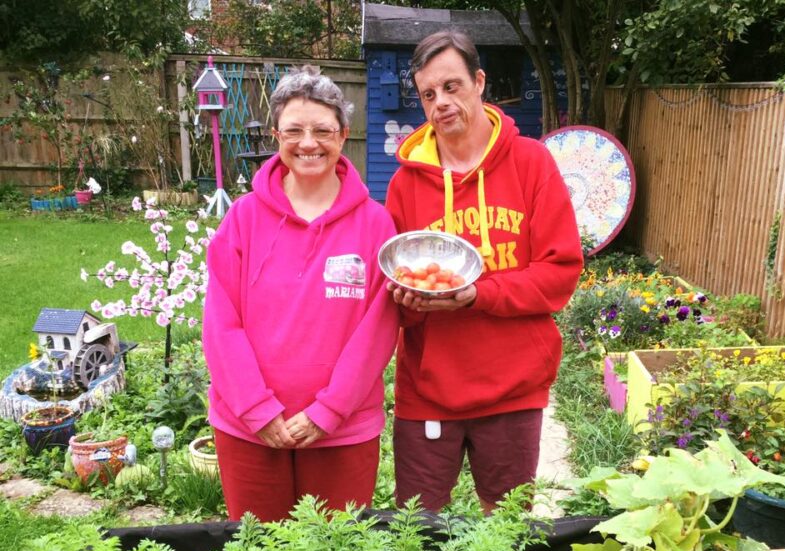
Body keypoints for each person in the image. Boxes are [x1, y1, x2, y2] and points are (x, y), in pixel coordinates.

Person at [385, 30, 583, 514]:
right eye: (429, 94)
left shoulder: (531, 164)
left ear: (479, 82)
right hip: (429, 390)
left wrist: (480, 294)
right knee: (416, 527)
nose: (441, 103)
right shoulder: (405, 183)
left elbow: (560, 273)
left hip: (513, 386)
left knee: (507, 529)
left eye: (452, 87)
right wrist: (406, 302)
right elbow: (393, 289)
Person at [203, 68, 398, 522]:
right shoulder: (244, 219)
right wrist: (257, 409)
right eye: (294, 130)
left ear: (343, 135)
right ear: (276, 135)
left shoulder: (374, 224)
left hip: (342, 431)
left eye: (322, 130)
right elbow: (221, 323)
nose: (308, 142)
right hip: (248, 430)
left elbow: (378, 331)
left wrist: (327, 412)